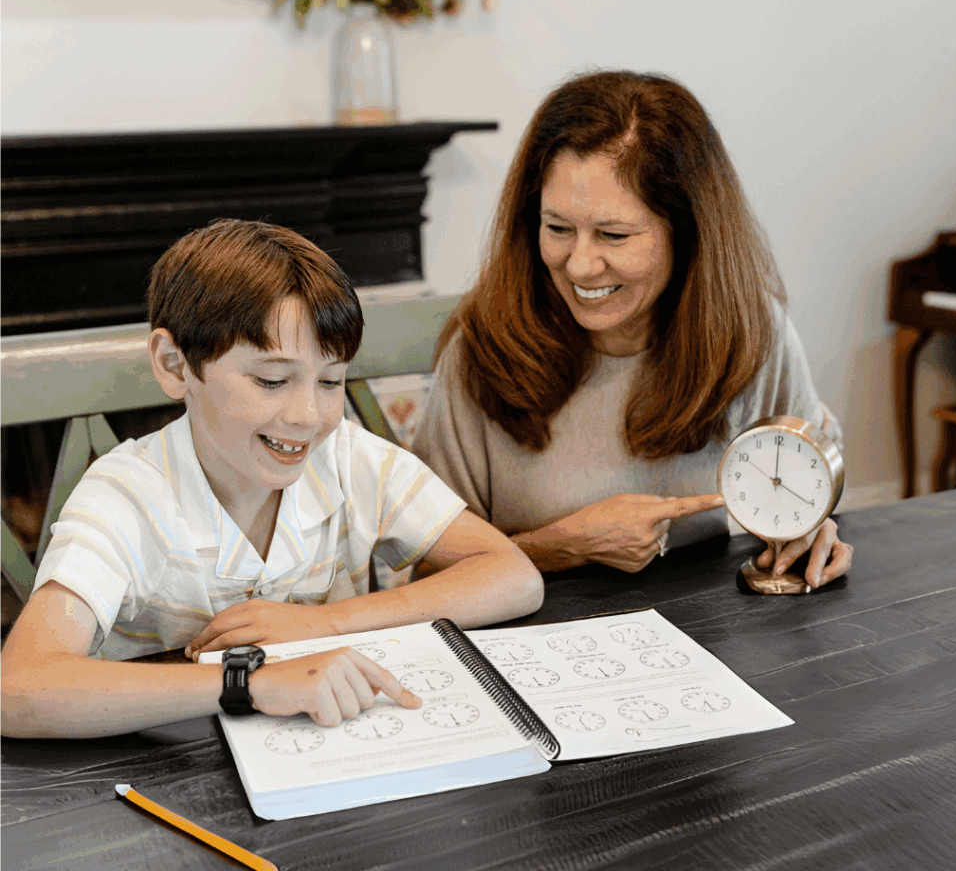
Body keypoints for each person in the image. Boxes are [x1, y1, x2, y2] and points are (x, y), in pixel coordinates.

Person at [1, 220, 543, 739]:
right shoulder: (129, 493)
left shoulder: (348, 457)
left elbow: (513, 577)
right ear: (174, 364)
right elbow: (19, 685)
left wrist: (328, 624)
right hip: (168, 773)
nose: (309, 415)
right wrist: (248, 684)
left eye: (330, 380)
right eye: (272, 380)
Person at [413, 70, 853, 588]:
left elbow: (806, 485)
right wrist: (563, 547)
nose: (578, 266)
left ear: (687, 232)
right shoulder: (480, 353)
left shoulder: (755, 334)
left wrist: (811, 530)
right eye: (556, 229)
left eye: (613, 235)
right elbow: (425, 571)